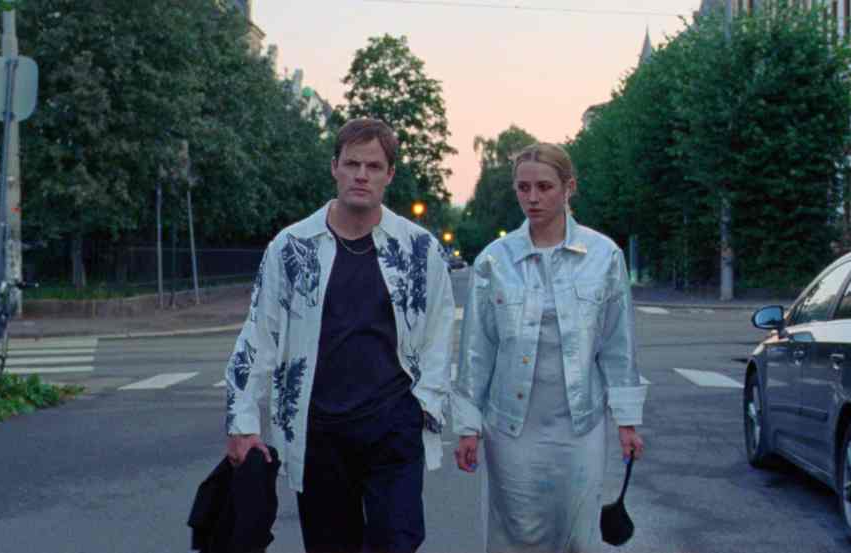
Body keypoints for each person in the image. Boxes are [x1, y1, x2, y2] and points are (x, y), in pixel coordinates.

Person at [224, 118, 455, 553]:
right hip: (318, 430)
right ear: (335, 167)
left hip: (393, 425)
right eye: (352, 164)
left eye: (373, 166)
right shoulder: (291, 247)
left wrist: (423, 405)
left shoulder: (418, 249)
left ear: (390, 174)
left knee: (397, 540)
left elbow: (439, 331)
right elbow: (259, 335)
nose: (361, 175)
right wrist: (242, 420)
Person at [452, 143, 646, 553]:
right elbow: (476, 350)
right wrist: (468, 426)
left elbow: (618, 344)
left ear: (568, 187)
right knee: (517, 533)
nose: (533, 198)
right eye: (523, 188)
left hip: (581, 426)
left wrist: (627, 421)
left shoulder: (604, 257)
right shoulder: (494, 261)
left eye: (544, 187)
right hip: (511, 428)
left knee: (578, 532)